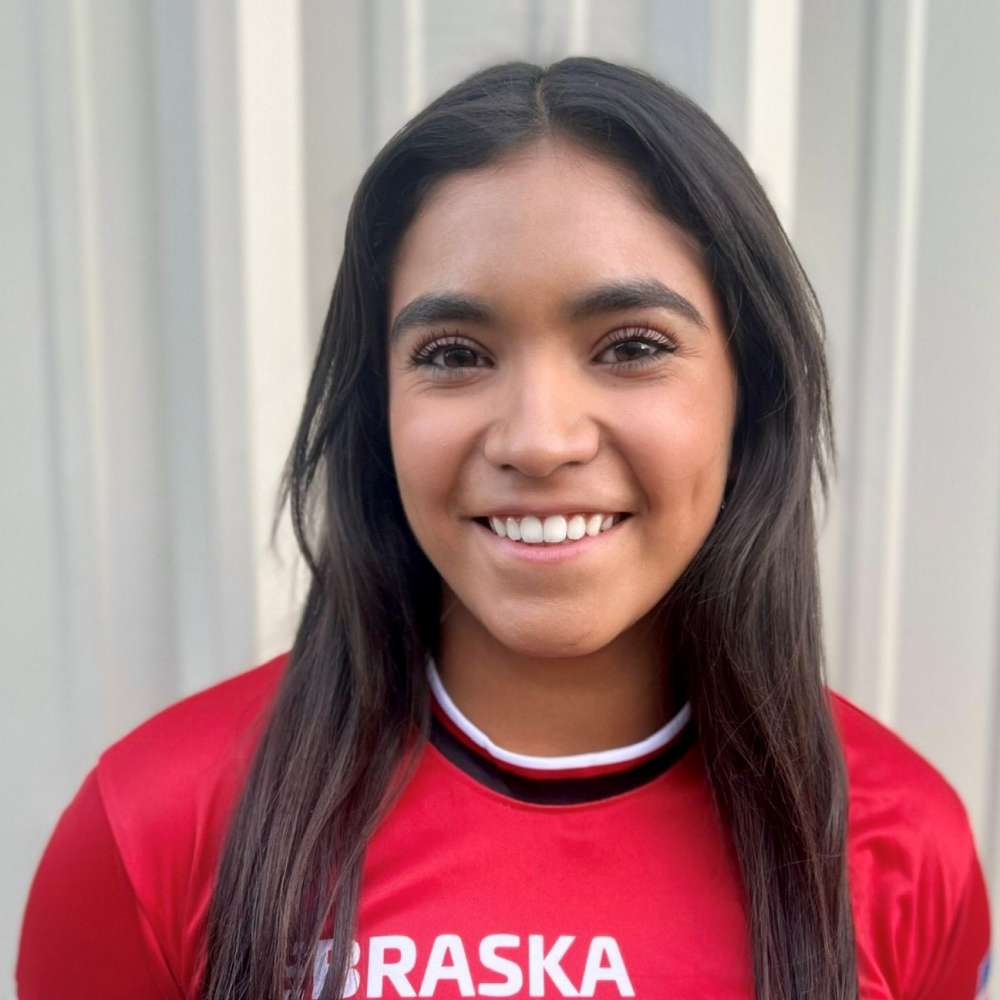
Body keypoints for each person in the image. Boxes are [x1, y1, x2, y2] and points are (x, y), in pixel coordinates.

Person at [16, 56, 991, 1000]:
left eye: (631, 346)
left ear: (750, 392)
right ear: (379, 409)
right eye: (454, 354)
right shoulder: (151, 830)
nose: (537, 439)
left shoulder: (903, 849)